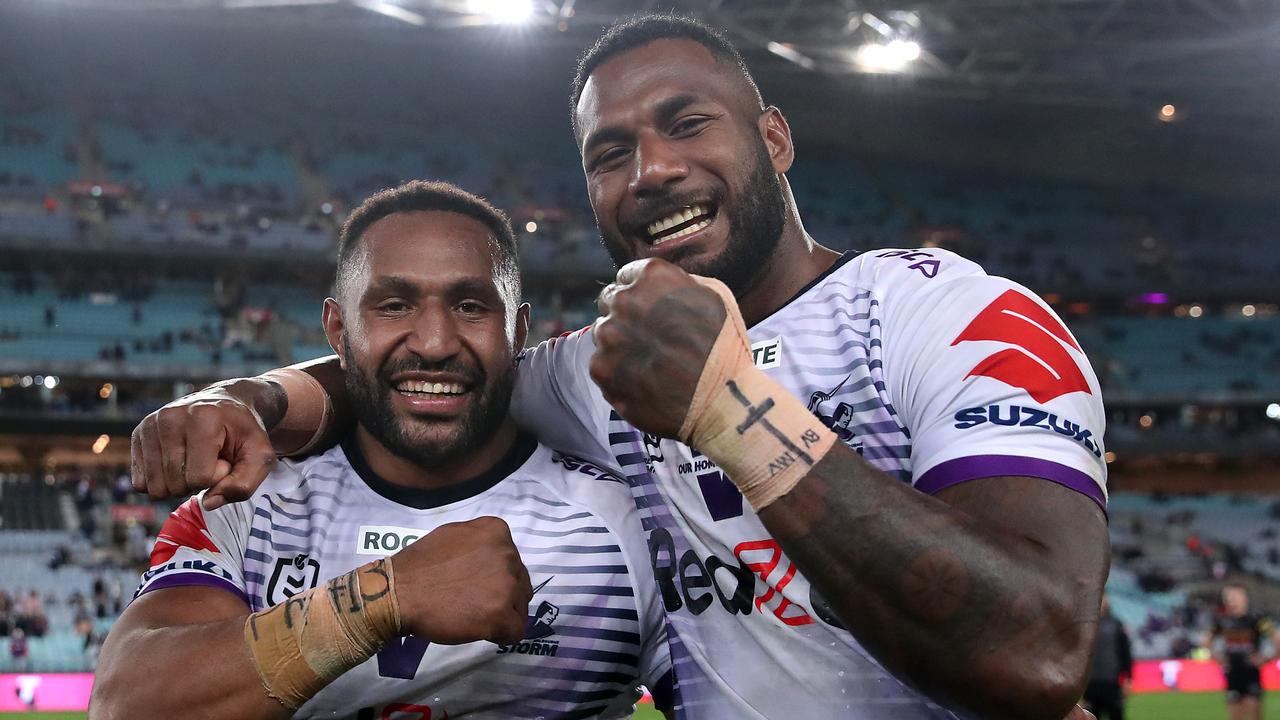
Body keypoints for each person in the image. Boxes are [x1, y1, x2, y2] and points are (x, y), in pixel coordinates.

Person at [128, 15, 1106, 720]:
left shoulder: (950, 316)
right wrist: (247, 398)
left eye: (686, 124)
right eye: (610, 152)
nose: (650, 170)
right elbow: (431, 373)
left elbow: (1035, 651)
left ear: (772, 137)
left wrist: (729, 412)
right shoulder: (599, 369)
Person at [94, 181, 672, 719]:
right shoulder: (244, 503)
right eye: (394, 305)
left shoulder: (625, 526)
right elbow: (126, 703)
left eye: (471, 305)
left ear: (518, 333)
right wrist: (380, 600)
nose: (435, 343)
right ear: (339, 330)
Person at [1205, 584, 1278, 720]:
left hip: (1251, 672)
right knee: (1236, 716)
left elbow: (1277, 638)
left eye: (1234, 596)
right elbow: (1207, 640)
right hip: (1232, 672)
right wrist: (1216, 657)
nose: (1230, 600)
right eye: (1227, 597)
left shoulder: (1256, 619)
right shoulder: (1221, 620)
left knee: (1255, 713)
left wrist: (1268, 658)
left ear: (1244, 598)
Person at [1083, 595, 1132, 719]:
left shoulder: (1116, 624)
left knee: (1116, 714)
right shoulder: (1086, 625)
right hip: (1092, 683)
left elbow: (1125, 652)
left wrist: (1128, 678)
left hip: (1111, 682)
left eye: (1104, 598)